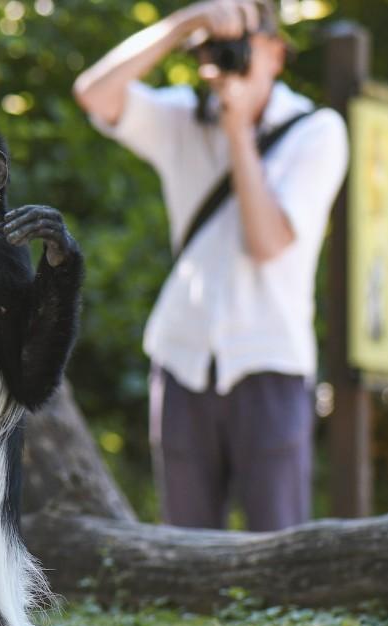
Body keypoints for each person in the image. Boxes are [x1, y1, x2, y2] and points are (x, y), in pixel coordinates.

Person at [73, 0, 348, 531]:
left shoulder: (317, 131)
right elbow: (94, 93)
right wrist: (185, 23)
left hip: (270, 359)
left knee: (278, 547)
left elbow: (266, 242)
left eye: (242, 44)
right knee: (186, 546)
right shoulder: (183, 118)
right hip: (183, 355)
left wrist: (239, 130)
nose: (226, 58)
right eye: (213, 50)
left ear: (276, 52)